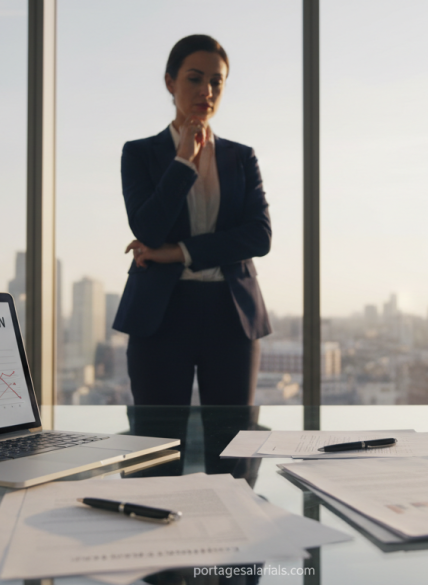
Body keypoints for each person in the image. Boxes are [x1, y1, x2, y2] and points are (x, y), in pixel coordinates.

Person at [112, 34, 272, 406]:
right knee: (156, 450)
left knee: (234, 448)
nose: (207, 91)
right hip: (161, 314)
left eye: (217, 82)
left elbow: (259, 237)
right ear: (170, 82)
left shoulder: (241, 157)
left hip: (231, 314)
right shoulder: (138, 154)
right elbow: (148, 228)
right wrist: (183, 161)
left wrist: (179, 252)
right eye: (195, 78)